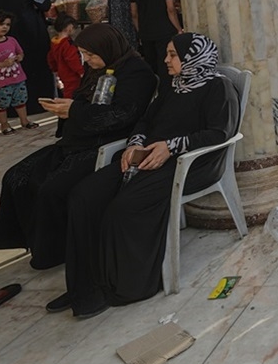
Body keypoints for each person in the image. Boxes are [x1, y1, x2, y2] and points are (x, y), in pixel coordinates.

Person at [57, 32, 238, 318]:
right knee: (84, 196)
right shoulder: (172, 85)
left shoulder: (219, 88)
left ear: (193, 57)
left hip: (190, 164)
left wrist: (172, 146)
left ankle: (126, 285)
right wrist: (135, 143)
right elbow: (146, 119)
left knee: (124, 207)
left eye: (173, 55)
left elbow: (220, 132)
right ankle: (86, 282)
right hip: (147, 158)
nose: (165, 60)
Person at [0, 25, 156, 269]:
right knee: (17, 177)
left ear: (107, 48)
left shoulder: (137, 73)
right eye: (84, 54)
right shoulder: (95, 68)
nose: (86, 60)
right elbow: (81, 99)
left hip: (106, 144)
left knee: (52, 189)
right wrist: (64, 107)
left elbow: (123, 115)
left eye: (90, 55)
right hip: (76, 141)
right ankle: (34, 242)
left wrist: (74, 110)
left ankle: (56, 250)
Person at [0, 10, 36, 134]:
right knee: (1, 105)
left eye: (7, 25)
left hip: (18, 78)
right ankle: (4, 124)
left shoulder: (12, 40)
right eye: (1, 24)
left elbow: (20, 53)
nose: (5, 27)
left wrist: (19, 57)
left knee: (21, 101)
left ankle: (24, 121)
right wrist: (1, 64)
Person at [130, 0, 183, 82]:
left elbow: (134, 13)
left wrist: (140, 31)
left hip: (146, 33)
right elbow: (170, 9)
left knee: (152, 67)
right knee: (167, 67)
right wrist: (178, 29)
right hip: (165, 32)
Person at [47, 14, 85, 99]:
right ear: (69, 27)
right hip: (72, 74)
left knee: (67, 91)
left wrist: (55, 70)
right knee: (72, 93)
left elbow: (50, 58)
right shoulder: (67, 44)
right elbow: (72, 59)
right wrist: (81, 71)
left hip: (62, 73)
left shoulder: (54, 42)